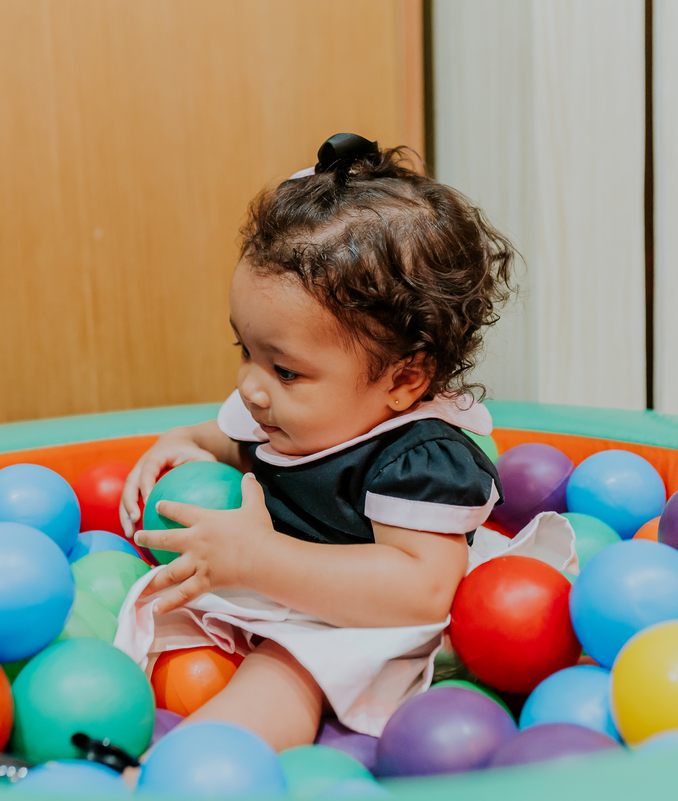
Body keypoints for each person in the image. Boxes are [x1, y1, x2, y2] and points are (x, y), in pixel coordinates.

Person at [117, 133, 515, 751]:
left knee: (285, 671)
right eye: (244, 350)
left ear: (404, 378)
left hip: (369, 614)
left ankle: (190, 768)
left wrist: (258, 560)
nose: (251, 386)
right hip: (281, 582)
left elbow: (421, 591)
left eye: (285, 369)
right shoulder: (290, 409)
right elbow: (229, 442)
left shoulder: (417, 457)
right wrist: (183, 443)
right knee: (151, 615)